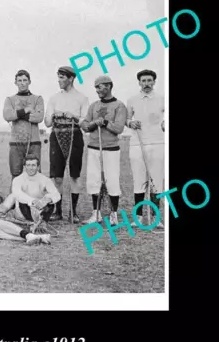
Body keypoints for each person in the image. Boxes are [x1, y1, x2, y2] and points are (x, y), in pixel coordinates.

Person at [44, 66, 89, 222]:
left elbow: (85, 124)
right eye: (58, 77)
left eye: (62, 77)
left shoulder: (82, 98)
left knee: (75, 175)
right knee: (57, 177)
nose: (59, 81)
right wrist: (53, 114)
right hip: (56, 136)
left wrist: (74, 116)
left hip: (75, 136)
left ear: (71, 78)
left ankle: (73, 212)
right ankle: (58, 211)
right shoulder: (54, 98)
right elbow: (47, 122)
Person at [81, 75, 127, 226]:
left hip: (111, 149)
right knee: (94, 181)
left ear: (108, 86)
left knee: (112, 181)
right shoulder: (94, 105)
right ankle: (96, 214)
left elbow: (119, 128)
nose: (97, 90)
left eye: (99, 87)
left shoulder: (119, 105)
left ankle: (113, 214)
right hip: (94, 147)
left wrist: (106, 122)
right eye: (95, 87)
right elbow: (86, 126)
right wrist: (95, 123)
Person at [126, 69, 164, 228]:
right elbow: (126, 119)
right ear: (139, 83)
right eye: (144, 81)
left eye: (149, 80)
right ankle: (139, 217)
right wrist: (130, 123)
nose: (147, 84)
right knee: (139, 181)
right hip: (137, 143)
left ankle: (156, 218)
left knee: (157, 181)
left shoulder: (162, 98)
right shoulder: (132, 100)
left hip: (157, 143)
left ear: (154, 82)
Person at [3, 69, 44, 179]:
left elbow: (39, 117)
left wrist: (17, 114)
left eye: (25, 80)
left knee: (35, 174)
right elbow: (7, 116)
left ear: (29, 82)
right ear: (15, 82)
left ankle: (35, 196)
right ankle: (15, 196)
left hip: (34, 142)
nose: (22, 83)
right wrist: (26, 110)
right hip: (15, 142)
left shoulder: (38, 99)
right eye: (19, 80)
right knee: (15, 174)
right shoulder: (10, 99)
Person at [6, 154, 61, 226]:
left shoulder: (45, 179)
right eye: (28, 165)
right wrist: (33, 201)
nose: (30, 168)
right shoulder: (18, 179)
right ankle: (32, 222)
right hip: (25, 209)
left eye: (33, 165)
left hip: (40, 208)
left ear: (38, 167)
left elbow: (57, 194)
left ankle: (43, 222)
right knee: (21, 200)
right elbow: (17, 193)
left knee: (50, 200)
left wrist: (47, 200)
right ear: (24, 166)